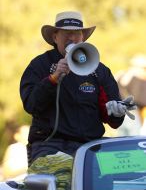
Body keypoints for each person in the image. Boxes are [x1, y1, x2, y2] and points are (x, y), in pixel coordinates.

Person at [20, 11, 136, 167]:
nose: (72, 38)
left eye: (76, 33)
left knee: (131, 166)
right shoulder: (40, 65)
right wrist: (53, 79)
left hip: (91, 146)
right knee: (63, 180)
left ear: (83, 38)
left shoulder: (99, 70)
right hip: (50, 145)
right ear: (55, 37)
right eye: (66, 33)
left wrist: (116, 112)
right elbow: (31, 104)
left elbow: (114, 121)